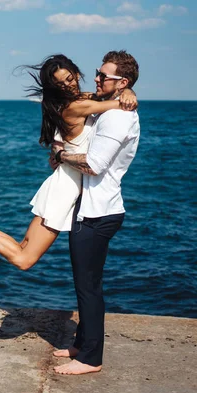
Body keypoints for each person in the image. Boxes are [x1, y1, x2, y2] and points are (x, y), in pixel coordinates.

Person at [0, 54, 136, 271]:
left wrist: (127, 89)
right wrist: (128, 92)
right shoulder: (75, 107)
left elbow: (104, 99)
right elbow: (121, 105)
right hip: (66, 187)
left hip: (68, 183)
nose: (68, 86)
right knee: (24, 258)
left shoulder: (80, 101)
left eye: (69, 79)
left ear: (77, 74)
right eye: (60, 84)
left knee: (23, 248)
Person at [50, 50, 140, 375]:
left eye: (104, 76)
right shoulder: (111, 106)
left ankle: (90, 358)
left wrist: (61, 155)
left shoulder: (118, 116)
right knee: (86, 284)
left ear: (122, 82)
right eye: (97, 73)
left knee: (88, 286)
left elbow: (94, 164)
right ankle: (81, 342)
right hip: (89, 209)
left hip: (98, 213)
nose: (97, 79)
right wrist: (127, 93)